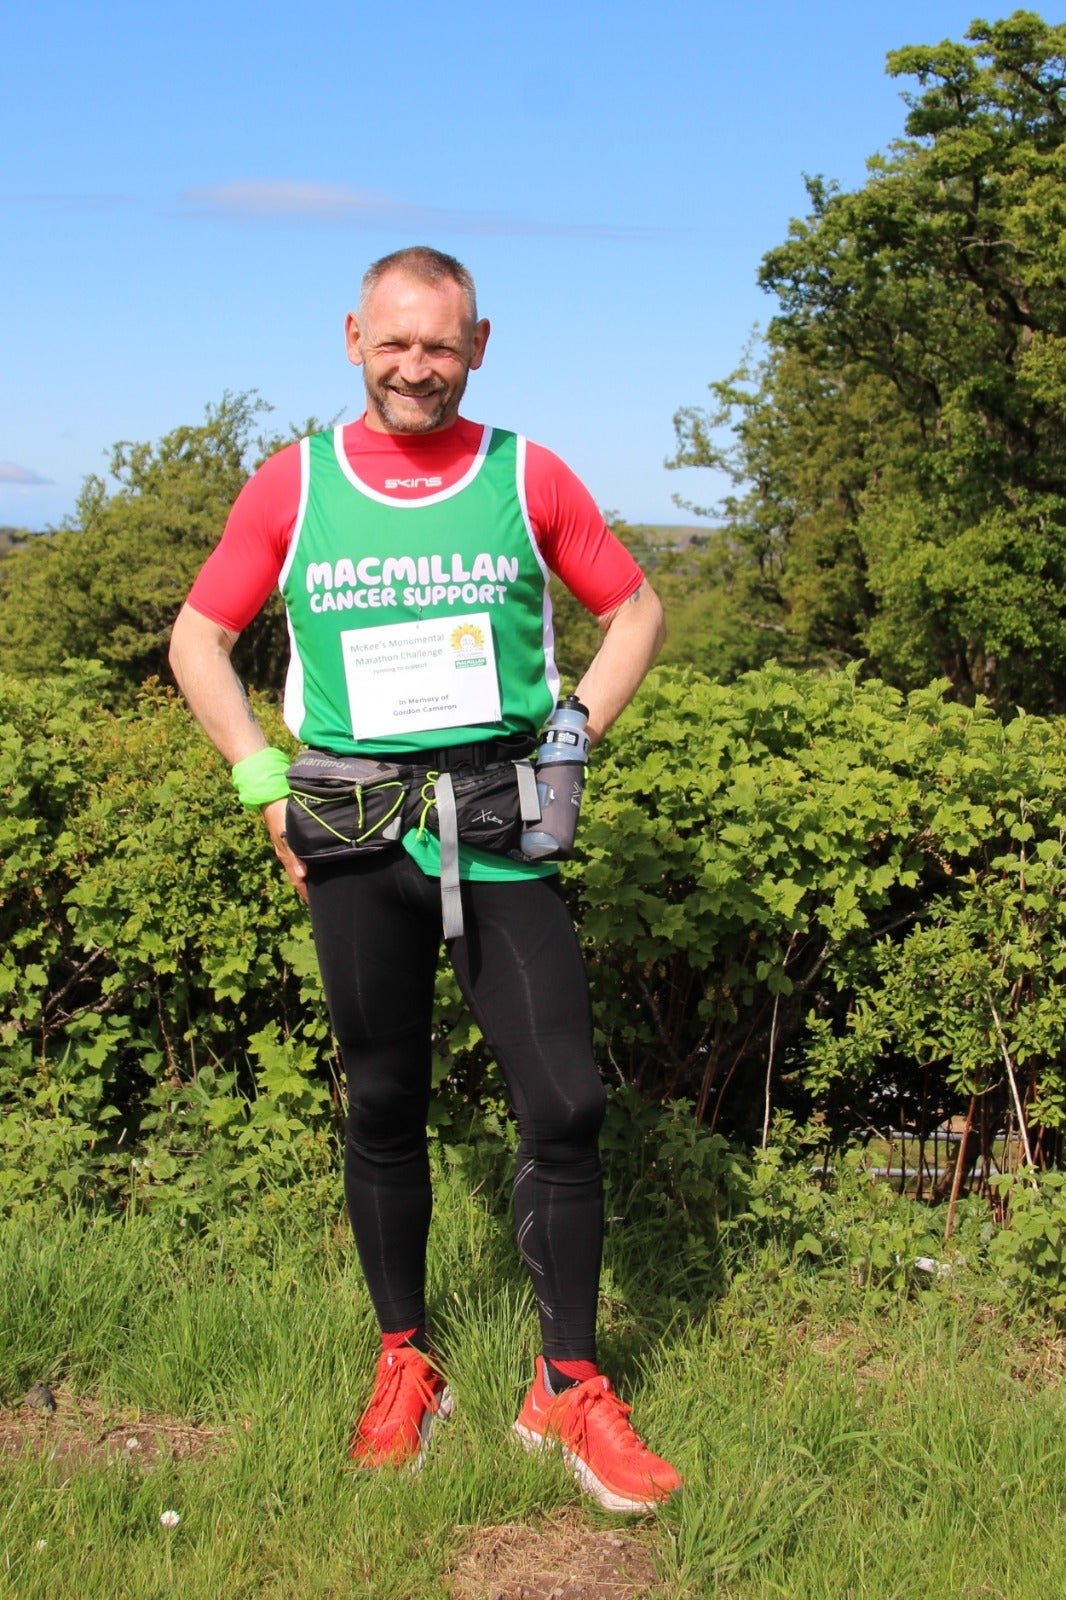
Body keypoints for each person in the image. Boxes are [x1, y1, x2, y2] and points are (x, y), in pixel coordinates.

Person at [169, 246, 680, 1514]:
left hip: (501, 825)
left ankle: (565, 1384)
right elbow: (199, 636)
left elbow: (636, 611)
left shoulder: (527, 475)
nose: (417, 366)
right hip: (351, 831)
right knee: (383, 1101)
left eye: (440, 345)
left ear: (479, 343)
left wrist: (573, 732)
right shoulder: (295, 483)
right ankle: (407, 1362)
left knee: (563, 1106)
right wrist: (256, 779)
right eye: (394, 343)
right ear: (354, 338)